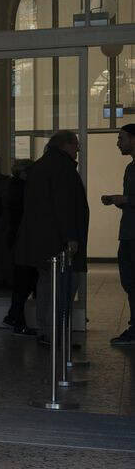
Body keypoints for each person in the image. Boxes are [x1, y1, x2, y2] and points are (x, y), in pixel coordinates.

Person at [14, 130, 88, 346]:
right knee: (62, 287)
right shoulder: (62, 168)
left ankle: (46, 332)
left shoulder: (41, 166)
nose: (78, 149)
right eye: (75, 144)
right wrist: (71, 237)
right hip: (57, 241)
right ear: (64, 145)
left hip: (41, 240)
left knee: (47, 285)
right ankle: (53, 335)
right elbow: (64, 207)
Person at [100, 123, 135, 345]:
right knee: (129, 282)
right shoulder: (130, 168)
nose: (117, 143)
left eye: (121, 138)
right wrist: (118, 200)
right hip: (129, 233)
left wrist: (125, 199)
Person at [3, 158, 37, 335]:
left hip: (18, 240)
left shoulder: (14, 186)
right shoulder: (22, 189)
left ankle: (16, 318)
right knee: (25, 282)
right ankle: (15, 318)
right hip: (23, 241)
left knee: (23, 282)